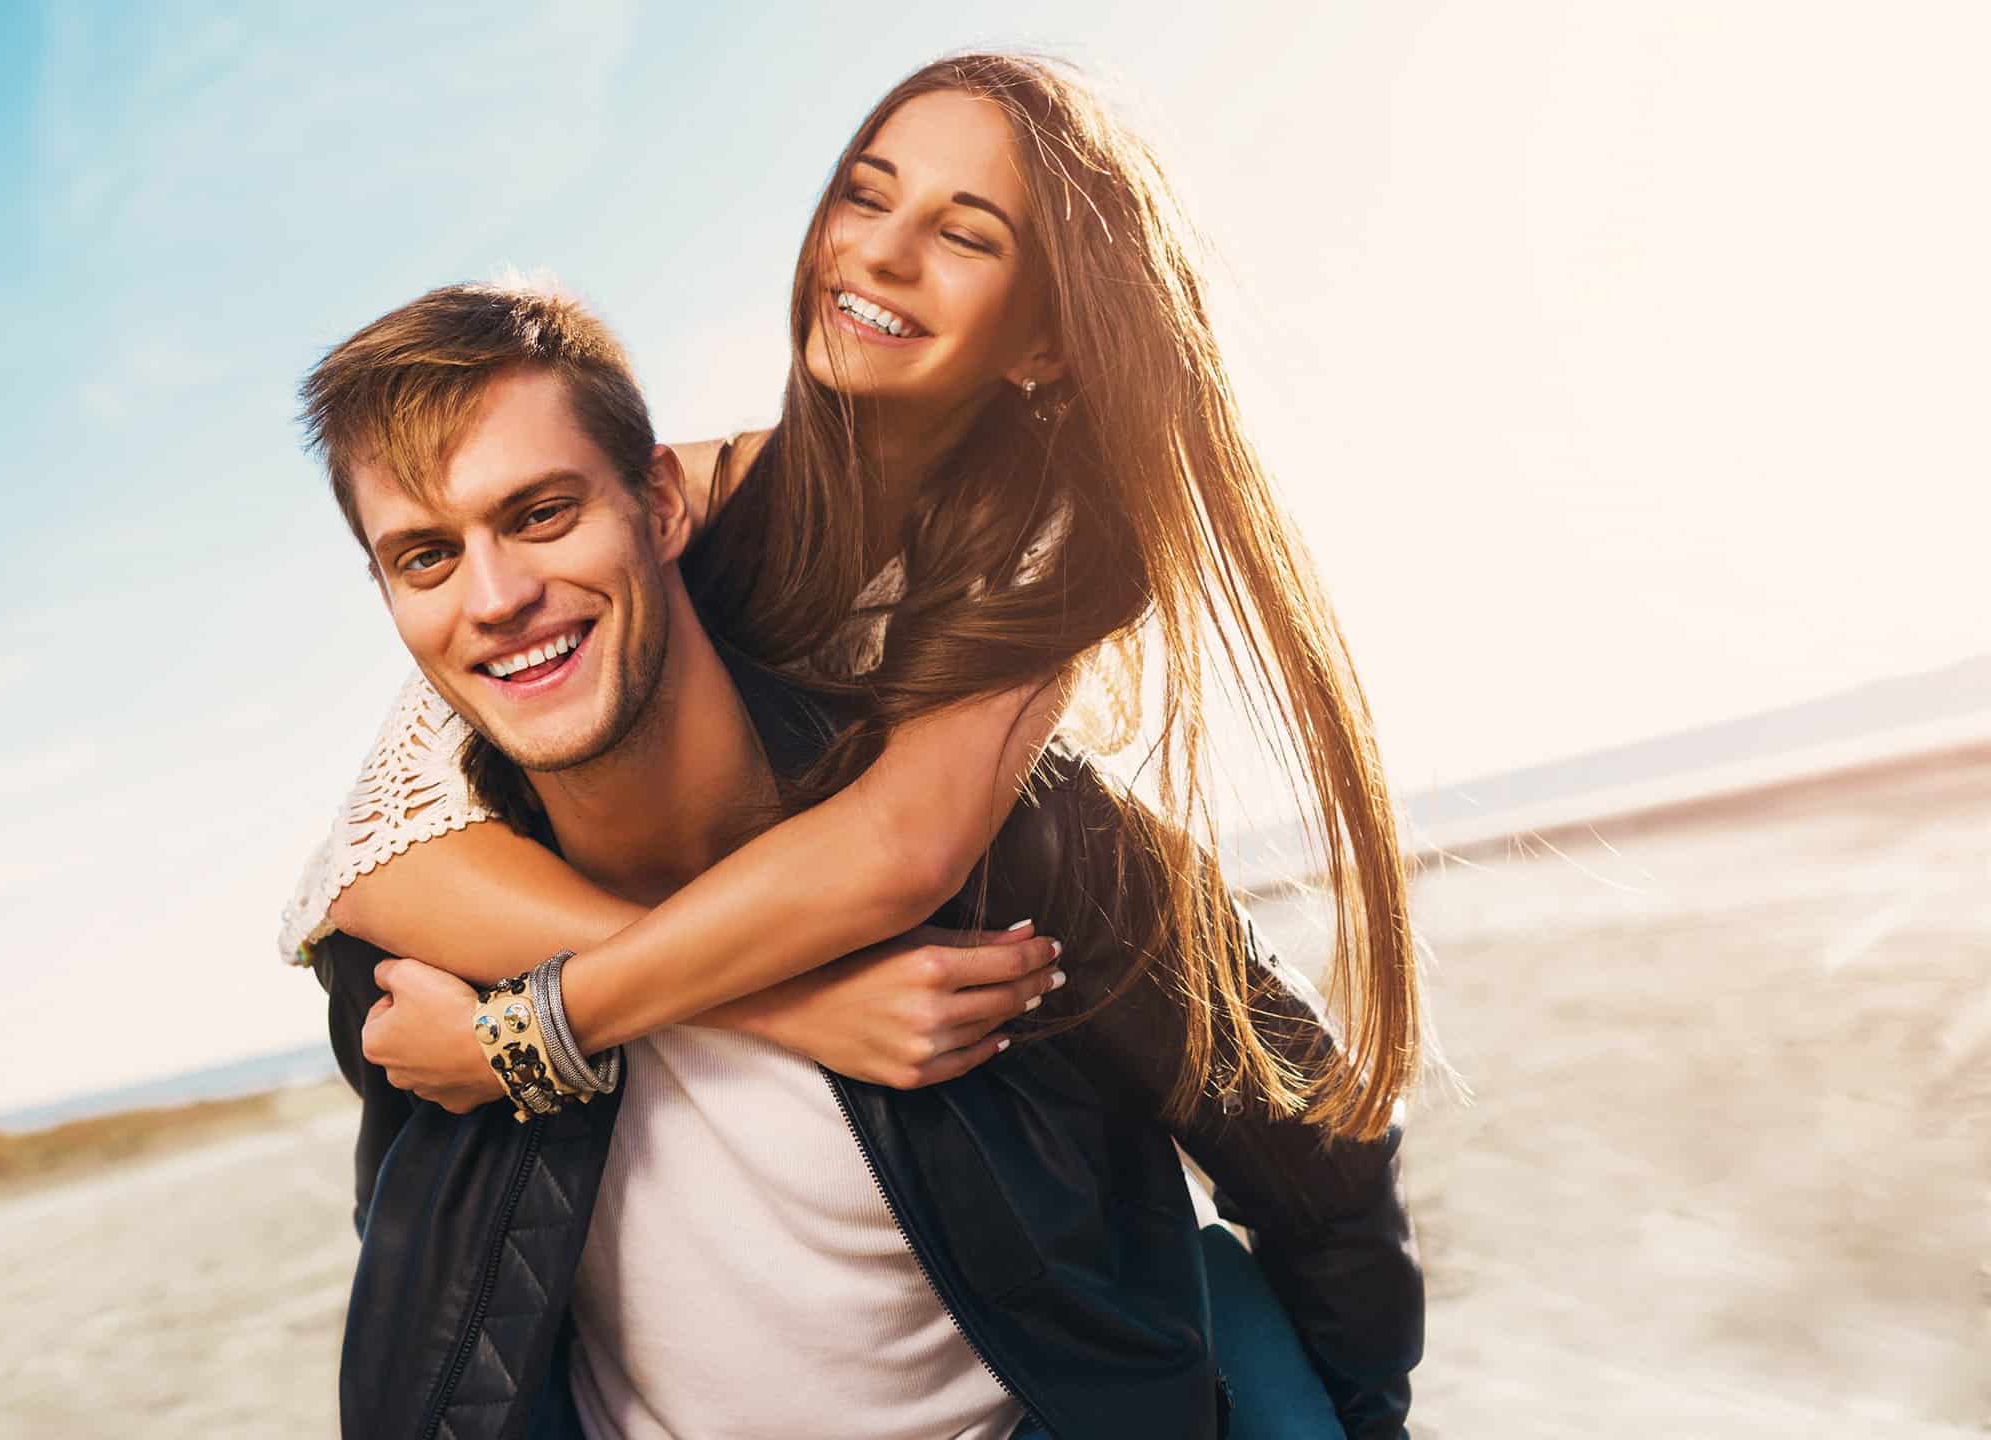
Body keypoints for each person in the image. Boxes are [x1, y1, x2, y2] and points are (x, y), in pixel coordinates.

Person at [298, 279, 1422, 1440]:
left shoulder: (1017, 835)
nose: (496, 598)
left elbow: (1314, 1154)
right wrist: (754, 1007)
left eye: (541, 514)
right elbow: (451, 1296)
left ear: (662, 505)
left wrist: (1357, 1417)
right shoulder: (414, 972)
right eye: (426, 557)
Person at [282, 51, 1420, 1154]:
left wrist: (530, 1030)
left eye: (965, 234)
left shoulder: (1065, 544)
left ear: (1045, 340)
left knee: (1297, 1112)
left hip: (1066, 927)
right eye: (862, 199)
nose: (880, 255)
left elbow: (896, 850)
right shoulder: (661, 508)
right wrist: (791, 1009)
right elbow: (383, 863)